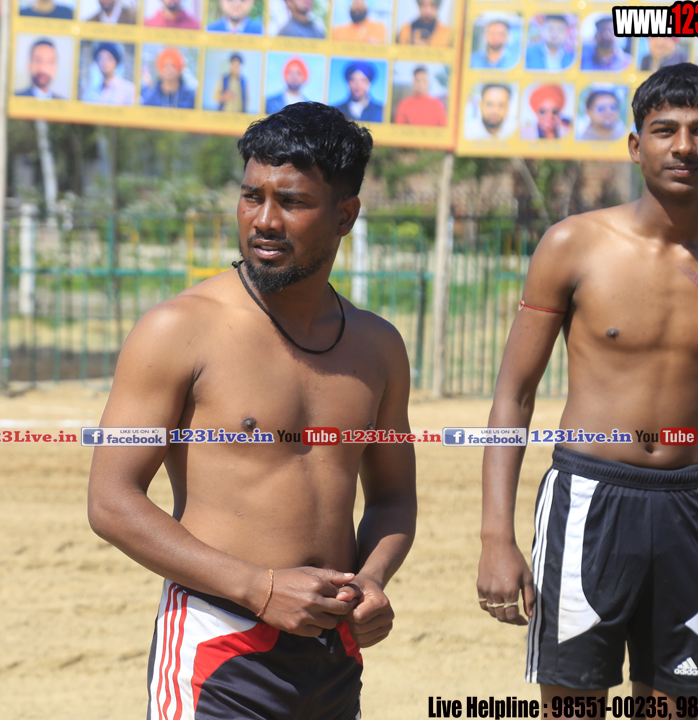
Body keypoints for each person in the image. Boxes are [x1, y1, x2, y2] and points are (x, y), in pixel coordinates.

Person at [477, 63, 698, 705]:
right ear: (634, 144)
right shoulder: (572, 245)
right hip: (587, 499)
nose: (684, 146)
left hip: (690, 507)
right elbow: (514, 395)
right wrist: (495, 538)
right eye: (665, 129)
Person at [87, 101, 416, 720]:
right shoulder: (179, 328)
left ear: (345, 215)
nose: (264, 220)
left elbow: (394, 499)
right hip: (220, 644)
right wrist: (259, 589)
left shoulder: (378, 346)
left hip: (334, 652)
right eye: (251, 196)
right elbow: (111, 502)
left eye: (291, 202)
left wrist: (372, 578)